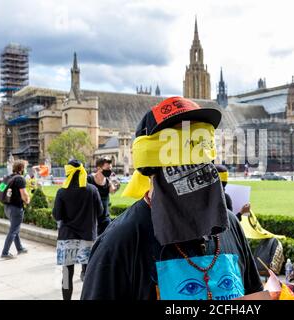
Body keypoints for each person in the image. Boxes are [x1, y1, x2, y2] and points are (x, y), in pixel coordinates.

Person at [81, 97, 263, 300]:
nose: (193, 158)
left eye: (199, 143)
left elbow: (253, 294)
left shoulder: (230, 225)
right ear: (149, 163)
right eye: (178, 146)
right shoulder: (120, 242)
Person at [52, 159, 104, 300]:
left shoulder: (62, 192)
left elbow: (57, 215)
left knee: (67, 275)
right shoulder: (92, 190)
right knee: (88, 274)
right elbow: (100, 212)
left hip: (67, 237)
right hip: (88, 237)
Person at [1, 160, 30, 259]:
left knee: (15, 228)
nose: (25, 169)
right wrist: (28, 200)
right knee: (13, 230)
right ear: (21, 168)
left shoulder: (7, 177)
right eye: (25, 167)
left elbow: (0, 189)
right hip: (16, 208)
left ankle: (20, 248)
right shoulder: (20, 179)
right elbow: (24, 194)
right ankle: (5, 252)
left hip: (7, 207)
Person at [87, 157, 117, 234]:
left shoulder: (108, 181)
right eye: (107, 168)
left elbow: (113, 191)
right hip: (92, 219)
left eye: (111, 168)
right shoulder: (89, 179)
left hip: (105, 219)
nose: (109, 170)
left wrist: (111, 181)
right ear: (99, 168)